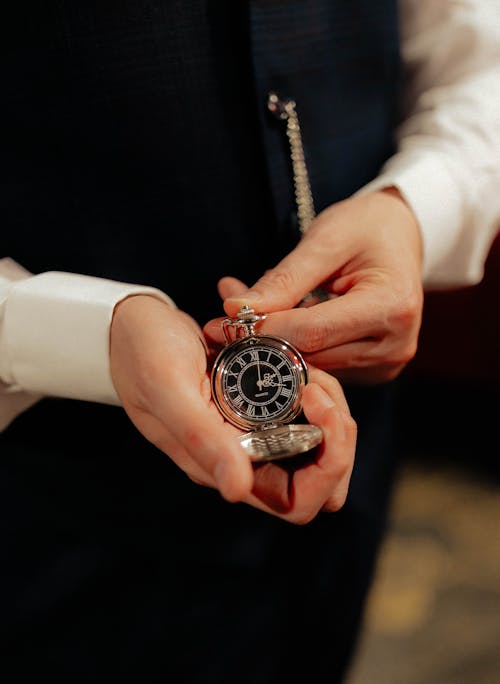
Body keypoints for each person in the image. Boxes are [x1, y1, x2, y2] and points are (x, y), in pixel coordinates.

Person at [1, 1, 499, 681]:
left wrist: (414, 208)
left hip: (351, 483)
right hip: (47, 526)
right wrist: (79, 332)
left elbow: (478, 54)